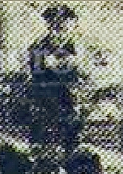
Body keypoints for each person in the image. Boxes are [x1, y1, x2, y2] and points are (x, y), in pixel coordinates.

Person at [26, 4, 89, 154]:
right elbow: (34, 73)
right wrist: (43, 62)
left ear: (72, 26)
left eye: (64, 28)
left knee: (72, 133)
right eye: (55, 27)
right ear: (48, 26)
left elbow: (85, 71)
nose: (59, 32)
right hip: (45, 97)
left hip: (71, 98)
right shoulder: (39, 46)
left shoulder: (78, 46)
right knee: (40, 135)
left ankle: (71, 155)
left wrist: (65, 64)